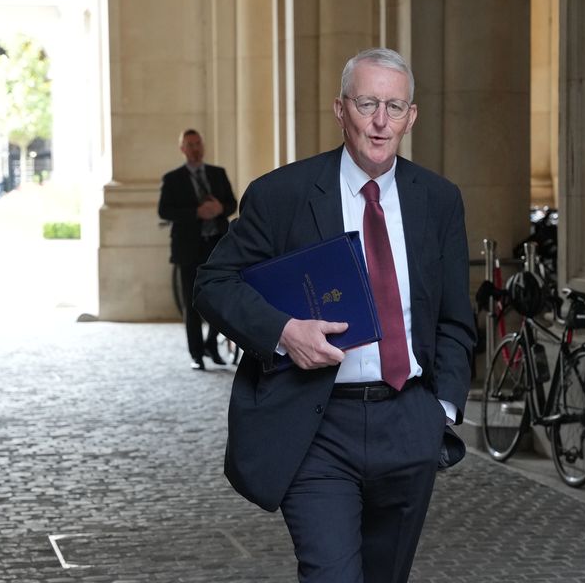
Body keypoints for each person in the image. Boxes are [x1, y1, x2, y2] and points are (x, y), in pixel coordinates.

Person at [194, 47, 475, 582]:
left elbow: (455, 317)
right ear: (340, 109)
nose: (379, 121)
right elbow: (213, 283)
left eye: (394, 107)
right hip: (317, 422)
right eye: (367, 103)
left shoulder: (438, 201)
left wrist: (440, 410)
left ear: (411, 117)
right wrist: (282, 332)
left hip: (407, 421)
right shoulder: (283, 195)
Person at [158, 129, 238, 370]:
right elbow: (164, 211)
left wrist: (219, 208)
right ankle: (196, 354)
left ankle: (212, 344)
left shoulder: (217, 173)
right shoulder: (172, 179)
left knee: (219, 300)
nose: (195, 148)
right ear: (182, 149)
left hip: (217, 246)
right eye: (189, 144)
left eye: (198, 143)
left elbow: (233, 203)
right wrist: (195, 213)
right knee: (191, 303)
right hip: (188, 249)